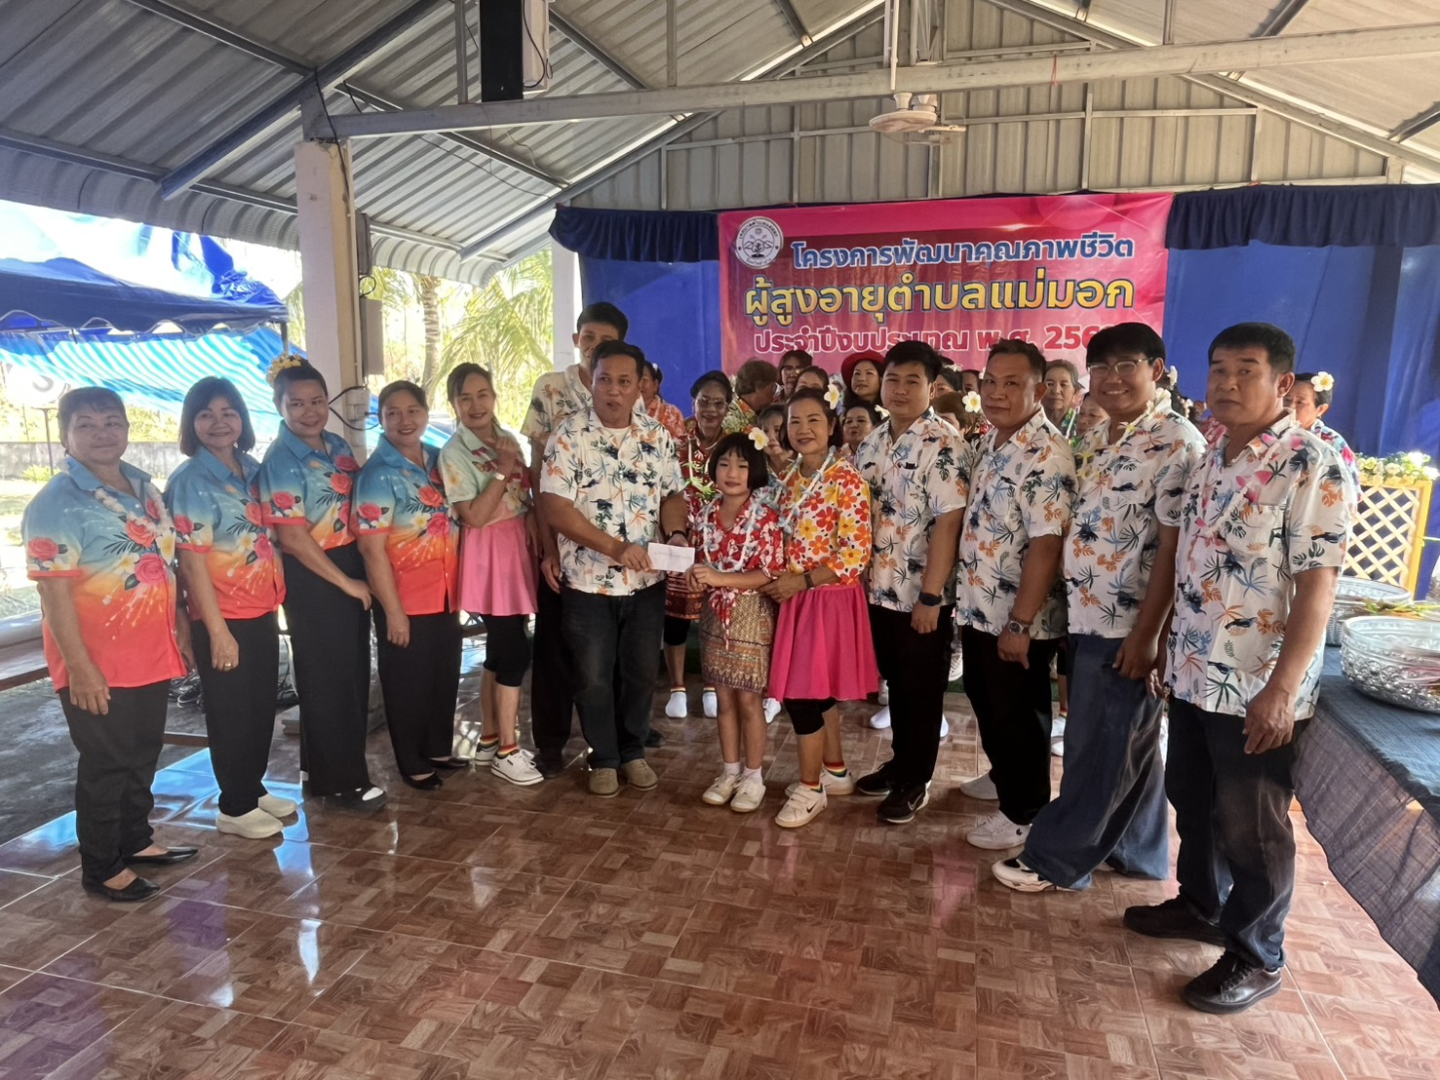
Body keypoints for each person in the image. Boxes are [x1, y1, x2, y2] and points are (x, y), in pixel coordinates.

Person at [1124, 323, 1355, 1014]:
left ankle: (1258, 954)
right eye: (1218, 369)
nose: (1225, 383)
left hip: (1256, 685)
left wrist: (1281, 690)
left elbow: (1318, 586)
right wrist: (1167, 644)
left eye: (1244, 370)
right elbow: (1190, 564)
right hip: (1195, 671)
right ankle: (1200, 904)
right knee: (1192, 798)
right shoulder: (1211, 457)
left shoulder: (1311, 463)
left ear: (1282, 383)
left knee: (1252, 826)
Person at [991, 322, 1205, 895]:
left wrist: (1148, 634)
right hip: (1086, 613)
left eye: (1125, 366)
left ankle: (1057, 860)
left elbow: (1174, 548)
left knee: (1098, 748)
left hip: (1127, 623)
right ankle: (1137, 851)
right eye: (1101, 368)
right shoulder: (1100, 438)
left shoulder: (1177, 443)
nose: (1111, 379)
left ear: (1156, 371)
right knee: (1127, 742)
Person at [23, 387, 195, 901]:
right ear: (65, 435)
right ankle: (101, 866)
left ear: (126, 428)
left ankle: (135, 840)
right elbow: (53, 594)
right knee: (106, 761)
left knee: (142, 752)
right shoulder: (56, 503)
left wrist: (180, 627)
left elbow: (163, 564)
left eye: (112, 422)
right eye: (87, 424)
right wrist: (80, 668)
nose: (102, 433)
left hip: (149, 650)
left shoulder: (142, 487)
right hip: (97, 659)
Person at [539, 341, 689, 797]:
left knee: (641, 674)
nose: (614, 390)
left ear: (640, 385)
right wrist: (616, 548)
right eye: (605, 379)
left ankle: (633, 750)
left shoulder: (657, 435)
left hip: (646, 583)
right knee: (592, 678)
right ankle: (603, 757)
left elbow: (673, 494)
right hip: (588, 583)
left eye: (625, 381)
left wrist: (676, 533)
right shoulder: (568, 435)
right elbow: (555, 507)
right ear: (593, 380)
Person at [957, 340, 1076, 850]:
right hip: (979, 606)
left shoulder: (1047, 454)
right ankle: (1005, 776)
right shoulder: (994, 440)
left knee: (1019, 715)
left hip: (1017, 617)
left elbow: (1047, 545)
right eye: (990, 382)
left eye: (1012, 384)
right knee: (988, 701)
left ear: (1039, 391)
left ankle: (1025, 812)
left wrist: (1020, 623)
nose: (996, 393)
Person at [166, 378, 292, 840]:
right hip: (221, 614)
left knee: (260, 706)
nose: (218, 423)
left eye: (228, 413)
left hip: (260, 606)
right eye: (206, 414)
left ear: (242, 418)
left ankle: (252, 788)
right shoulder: (190, 482)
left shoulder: (252, 469)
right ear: (191, 423)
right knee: (231, 712)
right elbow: (191, 563)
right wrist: (217, 631)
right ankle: (234, 806)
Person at [260, 359, 384, 812]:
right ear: (280, 406)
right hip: (314, 572)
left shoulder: (337, 445)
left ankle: (317, 769)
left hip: (347, 560)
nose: (309, 411)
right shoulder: (281, 460)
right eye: (296, 404)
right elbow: (292, 538)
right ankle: (345, 782)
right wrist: (346, 583)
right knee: (332, 679)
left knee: (344, 672)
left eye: (316, 401)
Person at [853, 342, 967, 825]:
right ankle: (900, 765)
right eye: (893, 380)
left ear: (933, 387)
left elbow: (949, 522)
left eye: (912, 381)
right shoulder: (874, 440)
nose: (899, 390)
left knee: (920, 691)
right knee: (897, 686)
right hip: (876, 590)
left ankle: (915, 782)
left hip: (920, 595)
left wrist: (931, 596)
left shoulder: (944, 444)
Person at [521, 301, 630, 778]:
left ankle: (611, 745)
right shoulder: (551, 389)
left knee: (609, 657)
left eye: (606, 341)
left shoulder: (627, 390)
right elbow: (537, 473)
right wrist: (549, 548)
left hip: (612, 552)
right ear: (576, 340)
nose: (595, 348)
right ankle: (549, 744)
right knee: (554, 650)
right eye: (589, 338)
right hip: (562, 547)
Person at [760, 388, 875, 828]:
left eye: (813, 420)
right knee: (818, 691)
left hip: (824, 598)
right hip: (797, 596)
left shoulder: (846, 479)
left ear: (831, 427)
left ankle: (810, 789)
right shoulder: (792, 476)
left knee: (802, 695)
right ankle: (835, 771)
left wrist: (803, 581)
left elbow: (855, 554)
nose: (803, 429)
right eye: (794, 421)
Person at [355, 381, 466, 791]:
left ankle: (437, 748)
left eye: (412, 411)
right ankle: (411, 761)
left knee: (443, 676)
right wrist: (393, 611)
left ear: (425, 412)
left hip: (446, 591)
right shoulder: (376, 475)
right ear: (380, 419)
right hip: (404, 598)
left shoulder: (439, 459)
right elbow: (371, 550)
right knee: (408, 685)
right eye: (393, 413)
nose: (404, 420)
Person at [439, 363, 543, 786]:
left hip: (517, 547)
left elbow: (524, 493)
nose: (475, 405)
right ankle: (507, 751)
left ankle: (488, 738)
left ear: (494, 396)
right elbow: (475, 516)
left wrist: (531, 515)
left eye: (482, 394)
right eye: (465, 398)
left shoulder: (506, 438)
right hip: (490, 555)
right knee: (514, 652)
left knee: (501, 650)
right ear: (454, 404)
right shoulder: (454, 452)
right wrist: (501, 468)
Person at [689, 432, 786, 812]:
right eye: (725, 464)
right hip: (715, 616)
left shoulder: (765, 517)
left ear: (755, 472)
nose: (732, 472)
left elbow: (770, 573)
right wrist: (695, 577)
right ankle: (729, 772)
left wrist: (719, 577)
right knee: (723, 698)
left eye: (742, 466)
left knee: (749, 699)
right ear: (714, 469)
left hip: (751, 615)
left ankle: (753, 776)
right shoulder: (704, 515)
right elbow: (699, 562)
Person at [664, 371, 731, 721]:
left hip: (722, 545)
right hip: (680, 539)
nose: (710, 409)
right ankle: (676, 688)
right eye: (704, 401)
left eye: (718, 403)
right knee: (675, 617)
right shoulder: (675, 441)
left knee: (713, 617)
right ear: (693, 402)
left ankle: (710, 686)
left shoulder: (736, 445)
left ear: (728, 408)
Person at [1286, 372, 1360, 491]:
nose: (1290, 407)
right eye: (1287, 399)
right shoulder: (1271, 434)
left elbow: (1351, 489)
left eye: (1300, 402)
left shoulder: (1333, 443)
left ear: (1321, 409)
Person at [724, 358, 778, 433]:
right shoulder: (731, 419)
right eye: (773, 386)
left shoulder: (760, 414)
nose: (774, 390)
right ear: (759, 386)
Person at [640, 359, 687, 441]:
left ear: (655, 385)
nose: (639, 385)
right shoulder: (619, 411)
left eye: (644, 380)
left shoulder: (671, 413)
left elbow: (678, 445)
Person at [1043, 359, 1083, 439]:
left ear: (1075, 391)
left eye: (1063, 385)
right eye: (1050, 384)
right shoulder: (1029, 422)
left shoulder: (1082, 425)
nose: (1056, 391)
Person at [755, 404, 793, 482]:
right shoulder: (754, 467)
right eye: (765, 431)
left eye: (777, 430)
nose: (771, 437)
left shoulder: (807, 464)